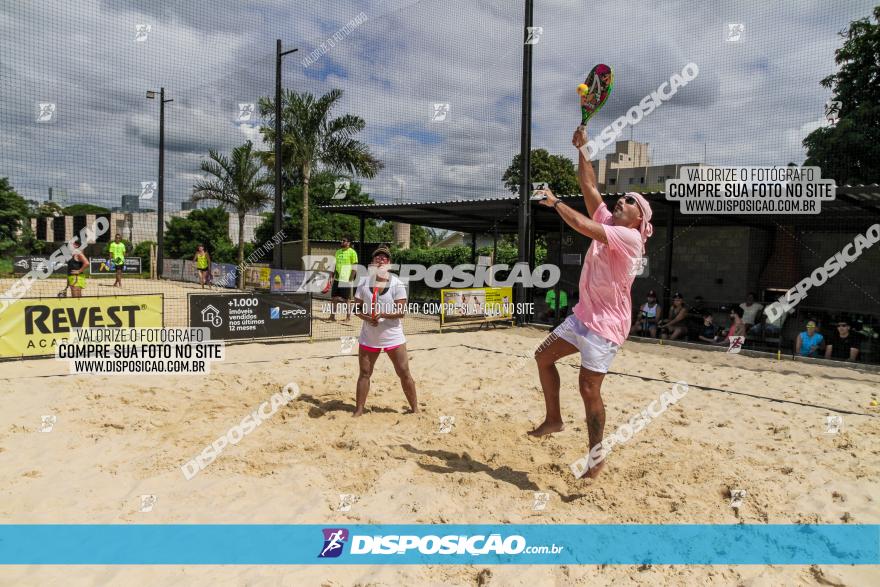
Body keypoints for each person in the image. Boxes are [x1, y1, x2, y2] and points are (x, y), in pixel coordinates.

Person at [530, 124, 653, 481]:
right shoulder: (610, 219)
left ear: (639, 219)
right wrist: (583, 150)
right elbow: (589, 187)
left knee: (588, 389)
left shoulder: (629, 238)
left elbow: (584, 226)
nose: (623, 200)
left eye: (631, 201)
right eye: (624, 197)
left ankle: (596, 458)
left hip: (607, 326)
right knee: (543, 356)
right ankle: (554, 419)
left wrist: (555, 203)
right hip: (584, 315)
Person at [352, 246, 418, 417]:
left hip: (393, 337)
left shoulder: (396, 283)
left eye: (385, 258)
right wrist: (367, 318)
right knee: (364, 373)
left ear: (389, 263)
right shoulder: (364, 282)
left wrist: (382, 315)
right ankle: (359, 410)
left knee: (403, 372)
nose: (381, 260)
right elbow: (356, 309)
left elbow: (401, 312)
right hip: (369, 337)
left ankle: (415, 409)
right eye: (378, 258)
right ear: (372, 263)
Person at [332, 237, 359, 321]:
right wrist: (331, 276)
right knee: (334, 298)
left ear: (349, 243)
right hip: (337, 279)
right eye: (342, 240)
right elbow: (334, 265)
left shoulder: (352, 252)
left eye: (344, 240)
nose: (342, 241)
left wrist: (351, 279)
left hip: (346, 279)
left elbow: (355, 267)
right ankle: (332, 316)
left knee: (346, 299)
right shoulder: (338, 252)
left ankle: (348, 317)